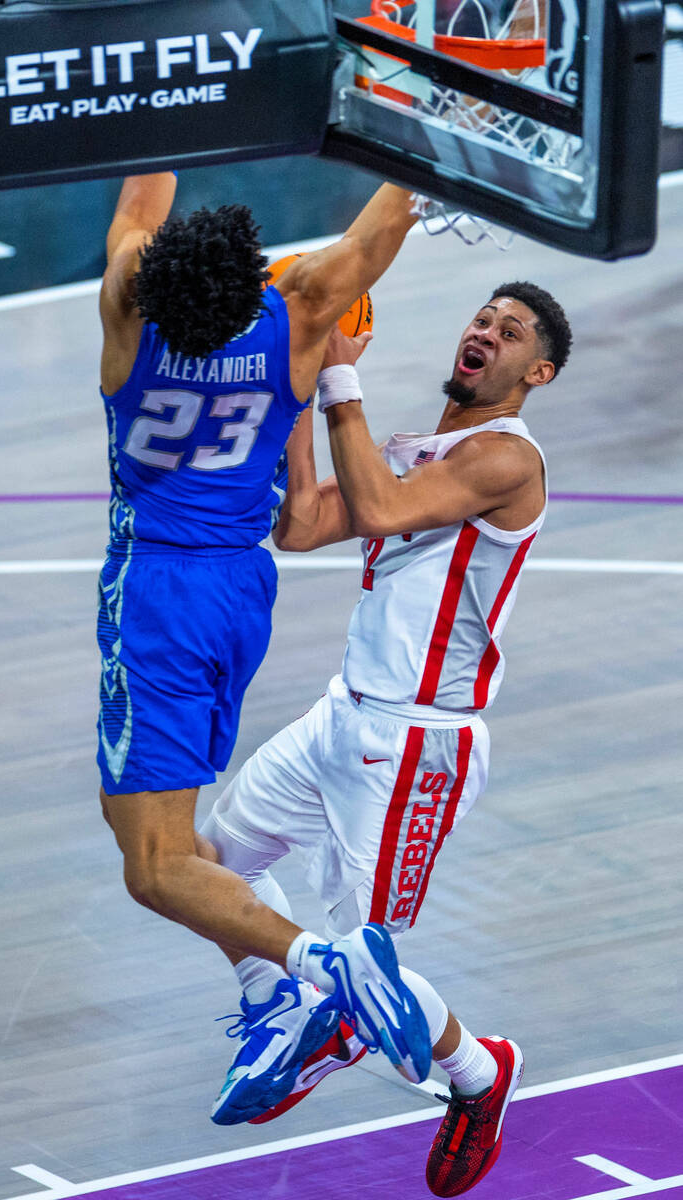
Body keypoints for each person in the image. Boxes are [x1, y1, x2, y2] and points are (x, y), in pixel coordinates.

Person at [202, 281, 573, 1196]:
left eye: (510, 329)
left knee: (367, 970)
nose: (485, 329)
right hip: (343, 712)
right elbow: (301, 524)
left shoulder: (507, 461)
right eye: (483, 316)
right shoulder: (423, 450)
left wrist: (336, 375)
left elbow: (377, 511)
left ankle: (482, 1077)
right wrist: (299, 390)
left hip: (418, 744)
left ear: (539, 371)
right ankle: (272, 997)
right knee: (213, 860)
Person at [96, 171, 434, 1094]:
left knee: (155, 867)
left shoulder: (131, 331)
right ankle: (266, 987)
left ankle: (323, 971)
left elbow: (135, 213)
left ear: (147, 292)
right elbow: (368, 241)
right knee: (153, 828)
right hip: (242, 590)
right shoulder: (298, 322)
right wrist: (425, 139)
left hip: (158, 594)